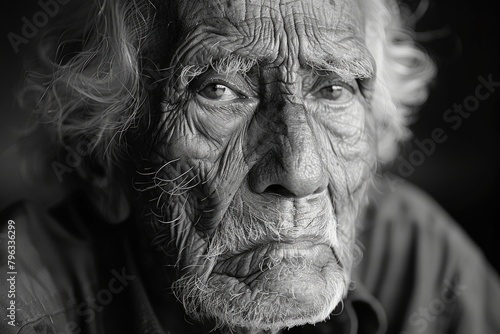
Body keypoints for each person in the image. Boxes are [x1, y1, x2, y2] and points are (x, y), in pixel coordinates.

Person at [1, 0, 499, 333]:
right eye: (218, 90)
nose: (300, 172)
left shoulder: (416, 252)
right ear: (100, 158)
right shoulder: (20, 291)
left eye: (333, 89)